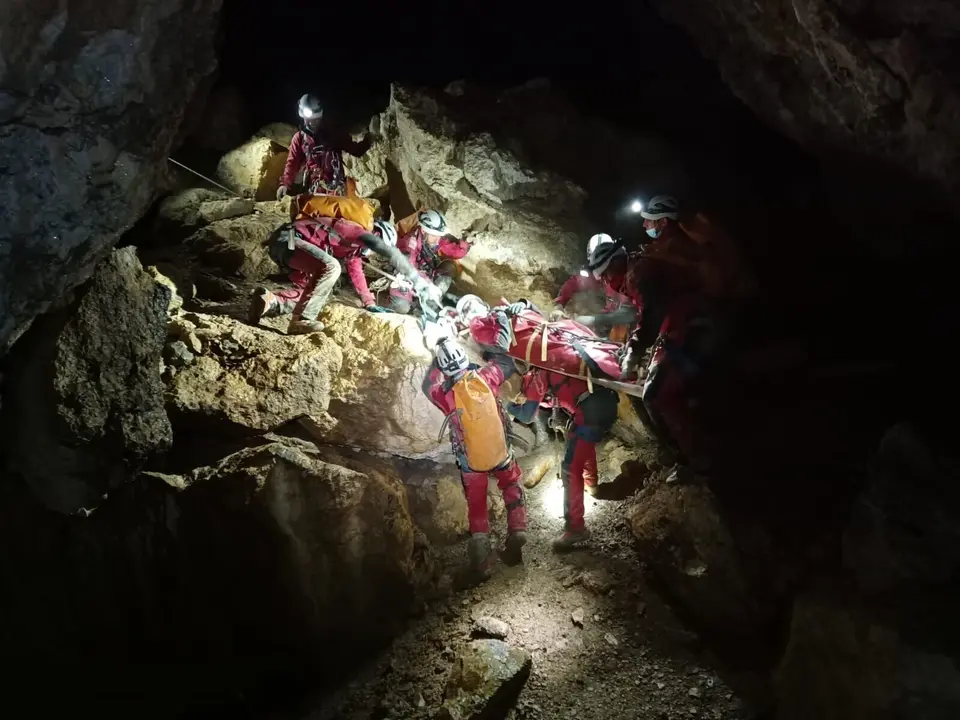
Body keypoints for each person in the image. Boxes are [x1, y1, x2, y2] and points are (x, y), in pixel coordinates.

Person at [587, 230, 714, 481]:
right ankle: (688, 448)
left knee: (656, 394)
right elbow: (649, 310)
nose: (606, 282)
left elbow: (653, 312)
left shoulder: (637, 274)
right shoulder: (639, 267)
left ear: (614, 263)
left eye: (605, 275)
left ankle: (698, 463)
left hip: (689, 325)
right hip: (687, 320)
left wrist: (636, 348)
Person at [422, 337, 527, 578]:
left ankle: (483, 563)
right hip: (501, 453)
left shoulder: (445, 395)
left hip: (472, 462)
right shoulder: (487, 377)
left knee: (476, 504)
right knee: (511, 484)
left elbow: (427, 386)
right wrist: (486, 348)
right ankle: (518, 529)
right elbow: (506, 362)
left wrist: (436, 361)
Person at [507, 353, 619, 551]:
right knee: (582, 444)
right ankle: (592, 485)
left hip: (589, 412)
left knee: (569, 467)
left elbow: (526, 416)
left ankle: (576, 528)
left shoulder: (536, 377)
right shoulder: (551, 364)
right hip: (605, 401)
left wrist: (508, 404)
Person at [250, 218, 442, 333]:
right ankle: (302, 320)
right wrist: (417, 280)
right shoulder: (356, 231)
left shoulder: (353, 251)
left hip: (294, 253)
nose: (373, 253)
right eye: (377, 246)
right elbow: (389, 252)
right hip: (289, 240)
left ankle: (270, 301)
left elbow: (357, 273)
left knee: (318, 292)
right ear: (377, 235)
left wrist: (370, 303)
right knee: (332, 267)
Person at [276, 94, 374, 200]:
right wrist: (284, 184)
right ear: (303, 116)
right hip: (314, 192)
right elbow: (292, 163)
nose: (313, 122)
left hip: (337, 191)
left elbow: (355, 150)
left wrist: (369, 139)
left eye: (316, 119)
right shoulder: (299, 138)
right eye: (310, 119)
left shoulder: (334, 133)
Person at [390, 210, 471, 314]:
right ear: (423, 231)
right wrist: (429, 285)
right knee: (401, 307)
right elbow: (409, 270)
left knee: (450, 266)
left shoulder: (434, 237)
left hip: (426, 274)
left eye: (439, 236)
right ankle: (410, 304)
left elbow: (454, 252)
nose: (437, 239)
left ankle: (429, 304)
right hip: (406, 278)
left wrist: (466, 243)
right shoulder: (409, 243)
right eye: (434, 236)